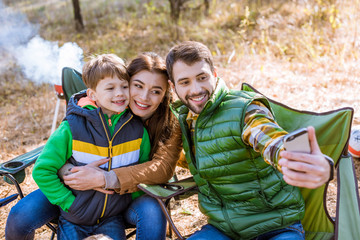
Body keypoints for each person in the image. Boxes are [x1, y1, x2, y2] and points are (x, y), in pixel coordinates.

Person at [165, 41, 334, 240]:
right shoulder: (184, 122)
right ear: (173, 86)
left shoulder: (245, 109)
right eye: (185, 82)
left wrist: (302, 159)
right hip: (224, 231)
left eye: (202, 78)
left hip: (276, 227)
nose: (196, 89)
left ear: (215, 74)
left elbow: (271, 139)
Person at [5, 52, 183, 240]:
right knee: (20, 215)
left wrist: (107, 180)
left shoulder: (157, 126)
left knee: (151, 210)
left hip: (117, 203)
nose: (144, 96)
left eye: (156, 91)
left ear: (165, 93)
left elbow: (161, 168)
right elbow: (50, 161)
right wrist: (70, 175)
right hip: (74, 197)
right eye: (137, 86)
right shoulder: (85, 117)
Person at [32, 53, 152, 240]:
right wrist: (69, 203)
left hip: (112, 218)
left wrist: (129, 200)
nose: (119, 93)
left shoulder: (137, 131)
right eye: (110, 88)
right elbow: (42, 170)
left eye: (124, 86)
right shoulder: (72, 127)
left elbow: (142, 171)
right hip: (74, 218)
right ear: (92, 94)